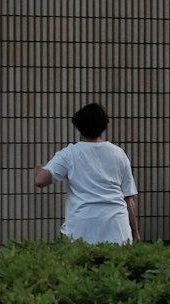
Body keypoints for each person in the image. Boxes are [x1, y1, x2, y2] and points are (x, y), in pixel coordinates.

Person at [34, 103, 140, 244]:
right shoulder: (118, 153)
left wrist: (38, 171)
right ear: (104, 125)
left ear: (78, 126)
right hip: (117, 227)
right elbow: (128, 199)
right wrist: (135, 232)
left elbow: (41, 181)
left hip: (82, 228)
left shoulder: (70, 153)